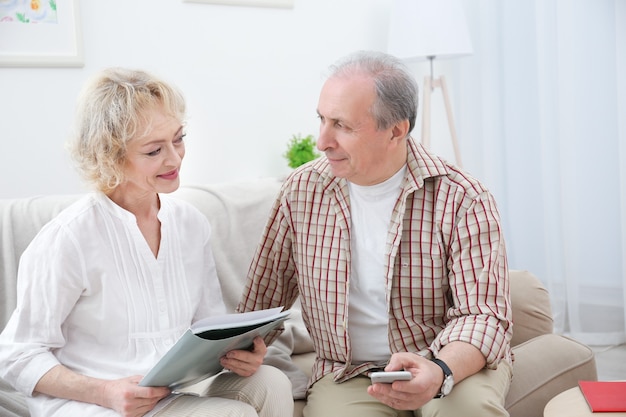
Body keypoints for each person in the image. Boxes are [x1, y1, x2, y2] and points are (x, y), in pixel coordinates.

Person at [0, 68, 293, 417]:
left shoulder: (190, 225)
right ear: (109, 156)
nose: (174, 159)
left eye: (178, 138)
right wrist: (105, 391)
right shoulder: (69, 238)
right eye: (154, 150)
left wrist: (238, 354)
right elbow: (17, 356)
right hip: (95, 404)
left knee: (271, 382)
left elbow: (208, 328)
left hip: (170, 391)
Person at [237, 50, 513, 417]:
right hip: (349, 372)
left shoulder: (463, 197)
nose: (322, 141)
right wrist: (243, 347)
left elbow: (484, 314)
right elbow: (263, 297)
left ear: (396, 131)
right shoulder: (301, 191)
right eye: (322, 119)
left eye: (342, 125)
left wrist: (439, 369)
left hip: (447, 362)